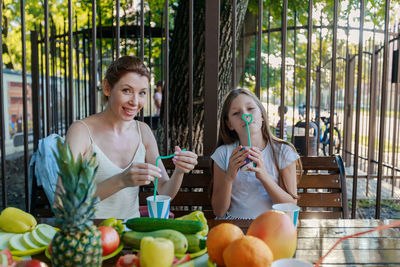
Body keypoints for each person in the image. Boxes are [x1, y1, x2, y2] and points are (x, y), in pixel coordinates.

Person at [62, 56, 198, 219]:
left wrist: (179, 172)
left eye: (142, 93)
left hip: (132, 234)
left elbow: (164, 189)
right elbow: (62, 201)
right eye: (126, 90)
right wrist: (121, 181)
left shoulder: (144, 132)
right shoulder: (81, 131)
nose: (135, 102)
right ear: (107, 88)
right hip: (90, 234)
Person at [211, 89, 301, 219]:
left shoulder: (282, 152)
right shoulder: (223, 154)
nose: (244, 116)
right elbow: (219, 211)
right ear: (229, 124)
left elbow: (290, 206)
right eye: (236, 113)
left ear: (262, 115)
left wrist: (264, 176)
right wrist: (229, 177)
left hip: (271, 227)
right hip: (233, 228)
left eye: (250, 109)